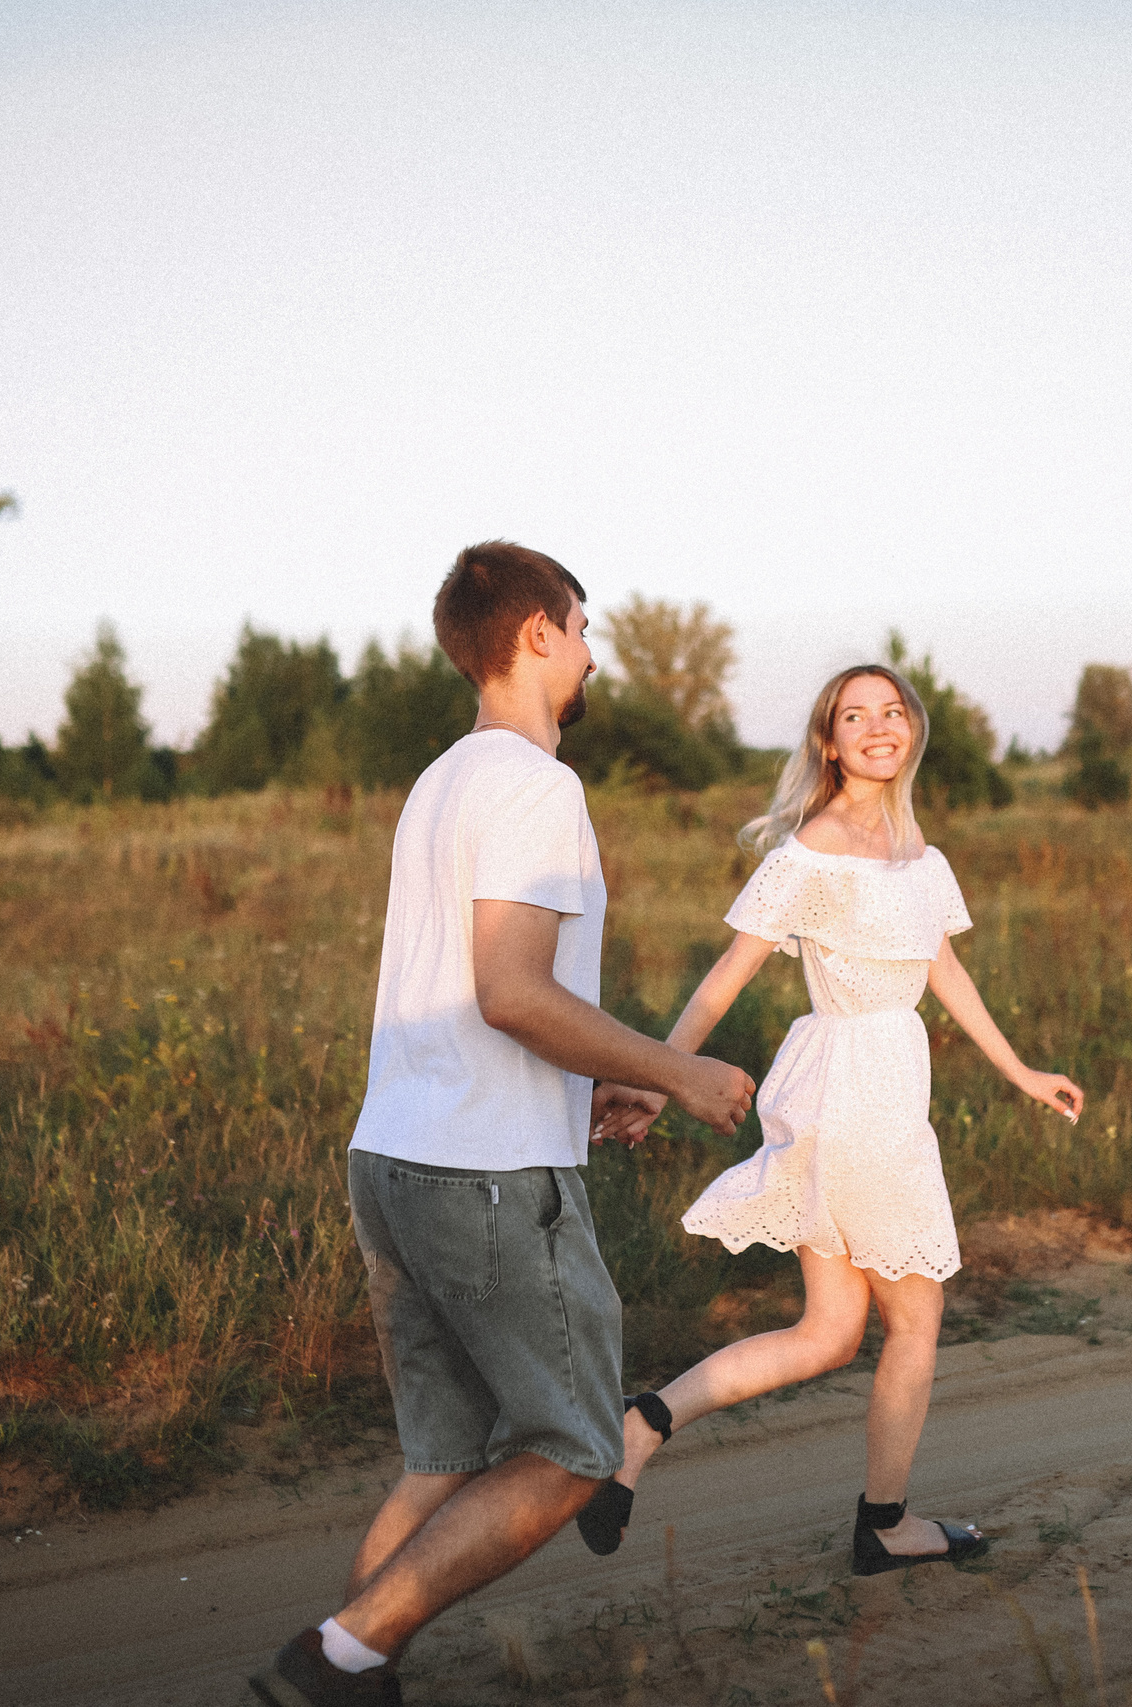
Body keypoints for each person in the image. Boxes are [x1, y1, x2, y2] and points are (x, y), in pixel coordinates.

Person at [251, 541, 757, 1707]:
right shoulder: (536, 785)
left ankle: (347, 1669)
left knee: (444, 1455)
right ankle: (331, 1660)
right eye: (582, 627)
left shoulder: (443, 781)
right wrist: (677, 1070)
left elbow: (480, 1001)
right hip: (482, 1180)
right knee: (578, 1447)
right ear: (537, 632)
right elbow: (511, 991)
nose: (591, 652)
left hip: (395, 1157)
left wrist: (590, 1084)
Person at [575, 663, 1084, 1574]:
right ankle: (884, 1523)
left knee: (829, 1332)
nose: (878, 726)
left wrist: (1020, 1069)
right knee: (916, 1319)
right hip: (856, 1091)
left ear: (913, 728)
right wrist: (656, 1079)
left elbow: (943, 970)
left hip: (864, 1087)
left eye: (892, 711)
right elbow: (729, 972)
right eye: (856, 715)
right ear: (830, 740)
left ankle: (643, 1423)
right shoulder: (812, 850)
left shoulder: (919, 856)